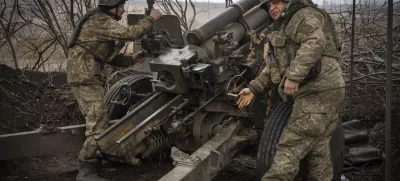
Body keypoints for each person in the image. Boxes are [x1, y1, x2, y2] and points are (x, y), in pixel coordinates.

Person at [236, 0, 345, 180]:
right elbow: (274, 66)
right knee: (318, 150)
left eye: (277, 2)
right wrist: (254, 89)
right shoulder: (283, 28)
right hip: (327, 88)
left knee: (290, 147)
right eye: (269, 5)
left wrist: (294, 76)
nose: (272, 8)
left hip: (318, 90)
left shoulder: (302, 15)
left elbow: (315, 41)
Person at [66, 0, 162, 180]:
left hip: (88, 77)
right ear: (113, 8)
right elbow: (130, 33)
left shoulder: (100, 22)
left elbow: (108, 58)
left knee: (99, 121)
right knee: (98, 124)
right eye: (121, 7)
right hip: (84, 78)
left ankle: (95, 165)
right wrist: (152, 18)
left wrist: (133, 59)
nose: (123, 10)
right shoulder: (99, 21)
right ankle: (86, 171)